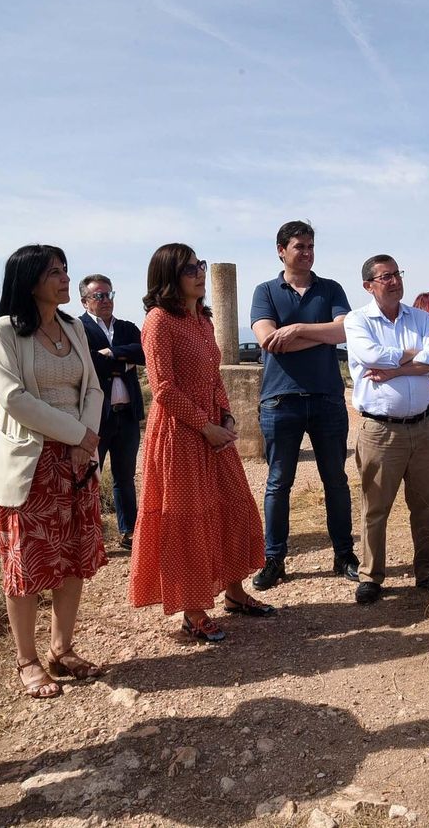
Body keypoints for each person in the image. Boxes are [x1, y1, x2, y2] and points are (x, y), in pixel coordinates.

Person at [0, 245, 107, 699]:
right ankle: (27, 660)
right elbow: (13, 398)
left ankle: (62, 648)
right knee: (27, 564)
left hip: (76, 460)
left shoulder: (74, 327)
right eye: (54, 272)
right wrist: (77, 434)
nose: (64, 278)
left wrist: (83, 440)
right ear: (30, 280)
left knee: (73, 556)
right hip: (32, 463)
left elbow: (93, 387)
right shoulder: (2, 332)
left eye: (65, 270)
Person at [133, 243, 273, 640]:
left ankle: (234, 592)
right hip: (180, 434)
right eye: (190, 267)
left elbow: (213, 377)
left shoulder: (203, 321)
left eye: (200, 265)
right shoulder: (158, 321)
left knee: (233, 508)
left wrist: (225, 415)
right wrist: (205, 426)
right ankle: (193, 612)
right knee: (187, 520)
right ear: (168, 277)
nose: (199, 273)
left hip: (213, 431)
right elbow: (162, 388)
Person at [248, 220, 358, 590]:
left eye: (311, 246)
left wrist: (294, 331)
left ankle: (344, 554)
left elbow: (345, 330)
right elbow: (267, 340)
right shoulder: (265, 291)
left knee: (336, 481)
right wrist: (320, 334)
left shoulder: (331, 289)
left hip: (327, 398)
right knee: (278, 484)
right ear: (281, 250)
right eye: (300, 246)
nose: (307, 253)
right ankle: (274, 559)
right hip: (280, 401)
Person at [343, 255, 429, 605]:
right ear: (368, 285)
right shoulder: (358, 320)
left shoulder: (421, 317)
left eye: (397, 274)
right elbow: (371, 355)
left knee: (426, 505)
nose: (394, 281)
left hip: (423, 427)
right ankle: (371, 576)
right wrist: (412, 358)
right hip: (380, 431)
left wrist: (397, 369)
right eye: (385, 276)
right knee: (375, 506)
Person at [78, 273, 145, 552]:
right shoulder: (77, 328)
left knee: (125, 477)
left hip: (126, 415)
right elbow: (91, 364)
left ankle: (129, 532)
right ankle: (87, 537)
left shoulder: (127, 327)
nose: (106, 301)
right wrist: (122, 361)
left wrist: (113, 353)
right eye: (99, 296)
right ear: (85, 301)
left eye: (109, 295)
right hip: (97, 418)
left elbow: (143, 352)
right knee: (89, 477)